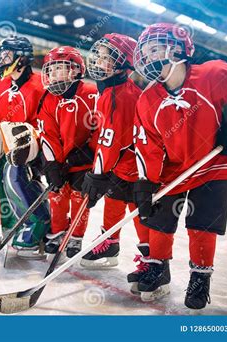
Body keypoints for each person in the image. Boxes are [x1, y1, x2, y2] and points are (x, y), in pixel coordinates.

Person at [132, 23, 227, 308]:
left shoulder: (214, 73)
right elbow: (147, 146)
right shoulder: (147, 99)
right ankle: (157, 266)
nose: (146, 56)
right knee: (158, 217)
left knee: (203, 223)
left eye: (153, 49)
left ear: (176, 49)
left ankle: (200, 277)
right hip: (173, 168)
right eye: (144, 51)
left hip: (211, 163)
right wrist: (146, 183)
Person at [79, 34, 148, 279]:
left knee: (138, 209)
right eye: (98, 55)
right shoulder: (112, 90)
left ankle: (151, 258)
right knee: (114, 200)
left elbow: (111, 141)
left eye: (107, 57)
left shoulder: (121, 96)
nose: (98, 61)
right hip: (123, 164)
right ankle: (110, 243)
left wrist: (97, 174)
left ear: (123, 65)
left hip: (137, 167)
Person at [0, 36, 50, 258]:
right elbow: (0, 119)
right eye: (1, 55)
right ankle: (6, 212)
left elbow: (46, 121)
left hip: (33, 147)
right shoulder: (3, 84)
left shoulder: (40, 85)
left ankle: (37, 220)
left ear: (22, 58)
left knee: (13, 174)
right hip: (9, 143)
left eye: (7, 55)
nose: (1, 59)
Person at [38, 46, 97, 257]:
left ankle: (76, 236)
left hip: (85, 161)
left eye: (58, 69)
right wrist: (53, 164)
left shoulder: (91, 93)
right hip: (61, 160)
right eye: (50, 70)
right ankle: (59, 231)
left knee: (80, 197)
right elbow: (49, 135)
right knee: (57, 192)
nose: (52, 75)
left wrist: (90, 150)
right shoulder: (48, 99)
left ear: (74, 70)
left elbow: (102, 128)